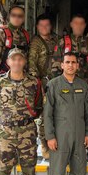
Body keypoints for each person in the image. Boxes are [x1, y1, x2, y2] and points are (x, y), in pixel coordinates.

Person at [44, 52, 88, 175]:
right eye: (67, 62)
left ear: (77, 66)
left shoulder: (83, 85)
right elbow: (47, 114)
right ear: (62, 65)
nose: (71, 65)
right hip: (60, 136)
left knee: (79, 171)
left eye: (74, 62)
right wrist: (50, 136)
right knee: (57, 173)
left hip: (80, 135)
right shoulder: (54, 85)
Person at [55, 14, 88, 165]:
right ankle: (65, 151)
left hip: (85, 86)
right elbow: (55, 65)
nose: (79, 26)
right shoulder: (63, 42)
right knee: (65, 118)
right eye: (76, 23)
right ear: (71, 24)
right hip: (66, 87)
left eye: (81, 23)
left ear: (85, 25)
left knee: (87, 117)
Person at [28, 14, 60, 159]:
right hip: (44, 83)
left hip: (58, 82)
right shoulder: (36, 42)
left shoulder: (56, 40)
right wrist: (37, 83)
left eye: (47, 25)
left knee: (57, 114)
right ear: (37, 27)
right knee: (45, 116)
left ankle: (55, 143)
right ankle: (45, 145)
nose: (45, 28)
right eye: (42, 25)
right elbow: (32, 64)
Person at [0, 5, 30, 78]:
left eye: (20, 16)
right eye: (13, 15)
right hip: (4, 77)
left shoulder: (25, 35)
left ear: (23, 18)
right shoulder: (1, 32)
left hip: (22, 77)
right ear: (9, 16)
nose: (16, 18)